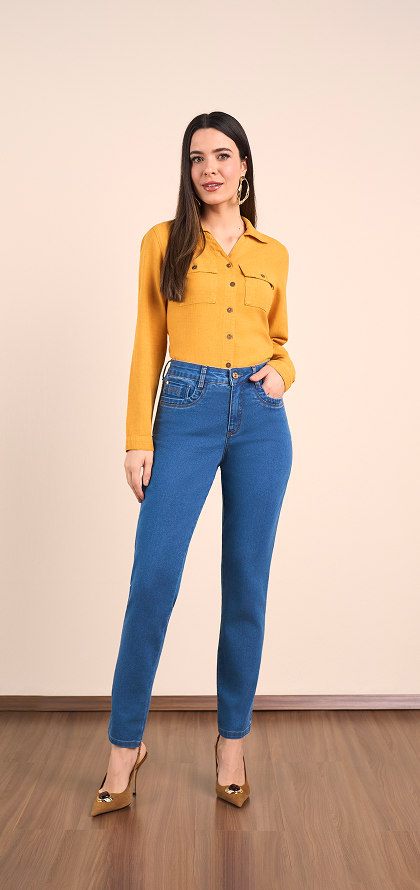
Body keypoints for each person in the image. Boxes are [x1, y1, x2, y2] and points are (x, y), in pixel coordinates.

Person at [91, 111, 295, 816]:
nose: (209, 168)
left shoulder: (274, 252)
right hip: (184, 409)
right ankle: (125, 747)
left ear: (244, 167)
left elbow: (281, 341)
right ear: (188, 170)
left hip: (261, 422)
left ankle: (231, 744)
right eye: (197, 157)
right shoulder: (164, 241)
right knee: (153, 579)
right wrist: (137, 437)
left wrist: (282, 375)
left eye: (223, 155)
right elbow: (148, 338)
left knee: (246, 585)